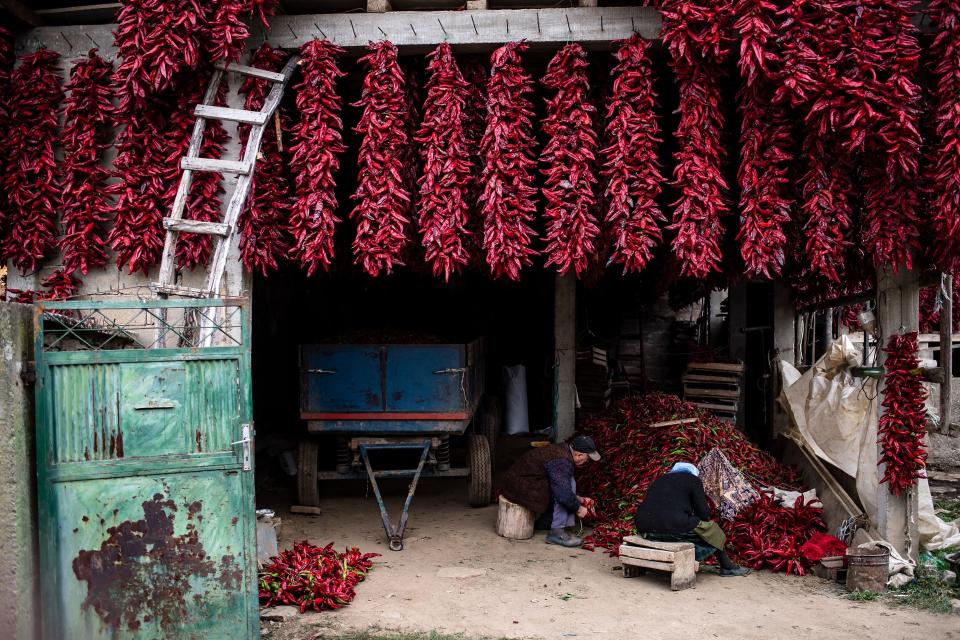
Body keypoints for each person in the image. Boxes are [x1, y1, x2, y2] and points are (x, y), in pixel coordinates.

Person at [633, 462, 750, 577]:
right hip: (671, 527)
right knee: (713, 530)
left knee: (684, 523)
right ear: (694, 473)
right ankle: (727, 567)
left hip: (645, 528)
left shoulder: (658, 480)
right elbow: (704, 513)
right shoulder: (693, 480)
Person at [497, 435, 600, 547]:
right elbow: (563, 494)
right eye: (587, 458)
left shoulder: (563, 450)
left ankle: (547, 521)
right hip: (518, 487)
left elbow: (560, 484)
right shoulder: (561, 461)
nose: (587, 461)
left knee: (568, 482)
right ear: (579, 455)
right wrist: (578, 509)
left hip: (525, 481)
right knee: (563, 492)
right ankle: (556, 533)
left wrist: (579, 499)